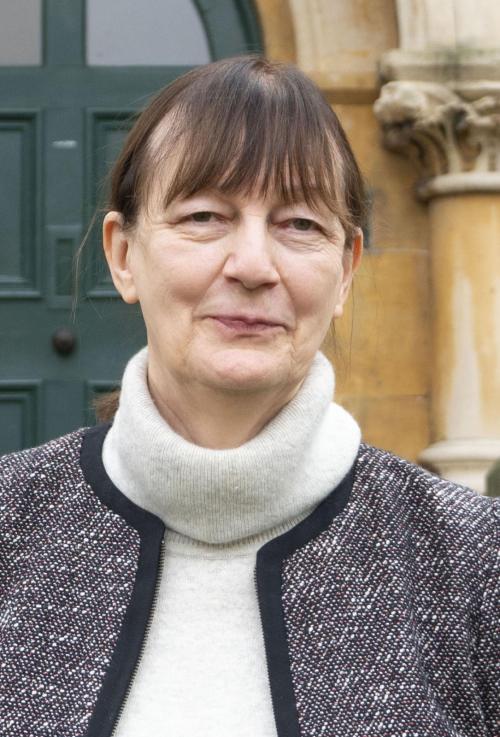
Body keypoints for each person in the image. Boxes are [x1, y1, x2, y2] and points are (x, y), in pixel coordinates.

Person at [0, 55, 498, 737]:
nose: (255, 266)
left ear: (346, 269)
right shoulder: (10, 529)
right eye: (205, 215)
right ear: (123, 255)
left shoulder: (474, 565)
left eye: (299, 225)